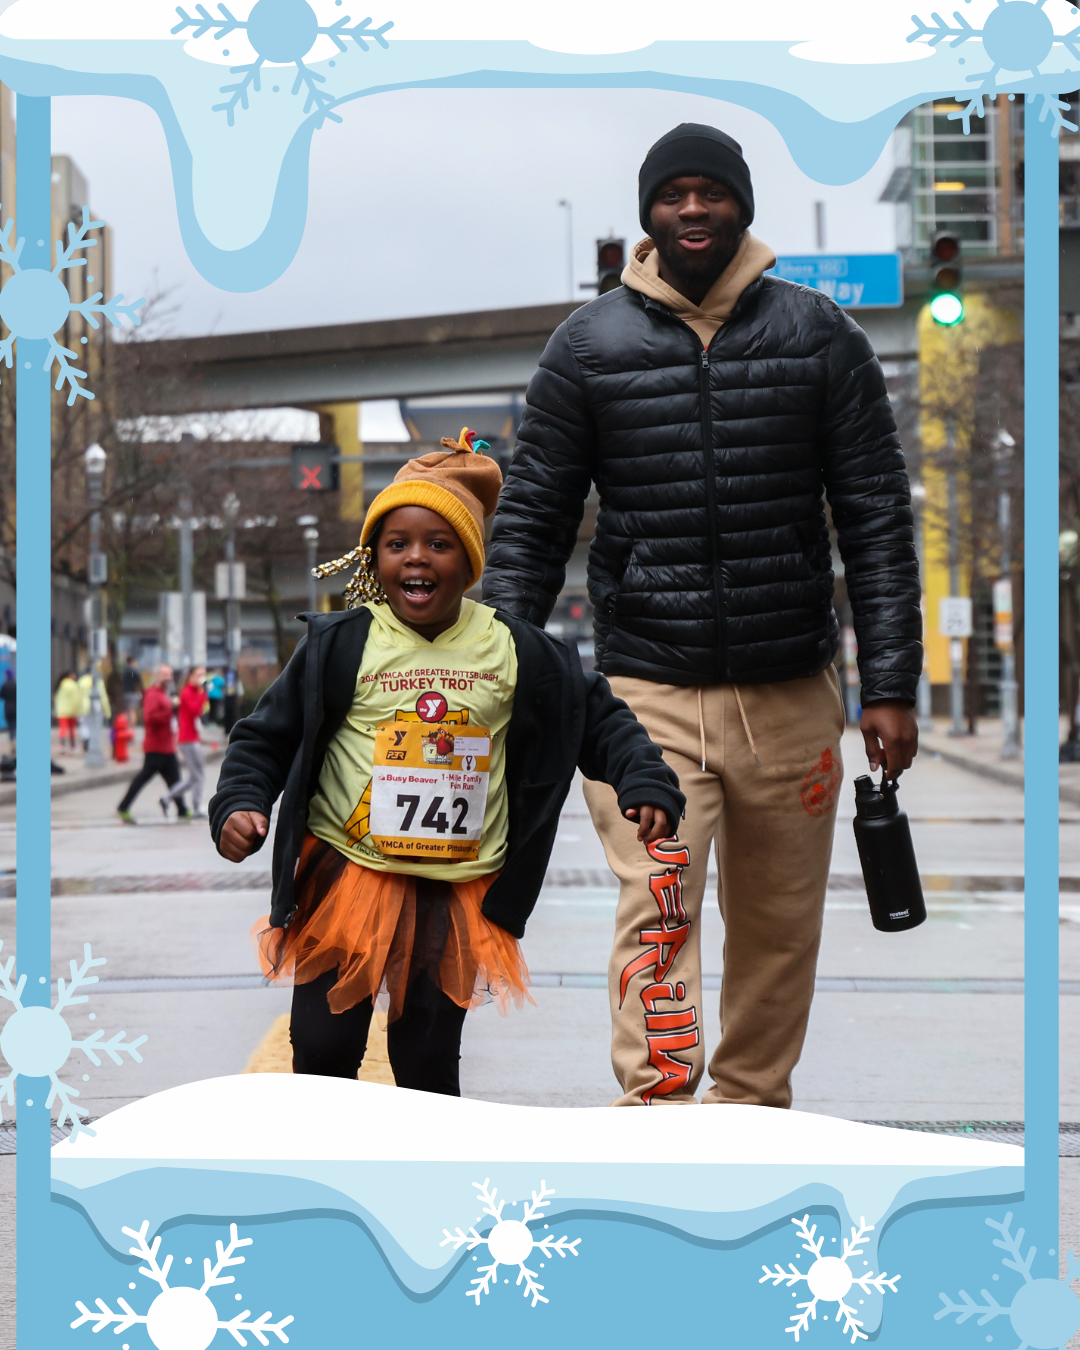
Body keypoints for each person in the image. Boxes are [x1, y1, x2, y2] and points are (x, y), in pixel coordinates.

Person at [482, 123, 922, 1109]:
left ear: (741, 206)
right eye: (673, 194)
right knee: (660, 908)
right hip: (643, 693)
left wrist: (890, 684)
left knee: (777, 924)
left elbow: (878, 520)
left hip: (793, 692)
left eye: (710, 193)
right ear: (648, 211)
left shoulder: (819, 336)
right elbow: (532, 522)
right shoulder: (587, 347)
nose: (692, 209)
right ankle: (659, 1115)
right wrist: (501, 667)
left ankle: (753, 1111)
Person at [209, 430, 683, 1094]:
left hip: (453, 894)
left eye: (439, 544)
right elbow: (264, 737)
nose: (416, 559)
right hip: (349, 875)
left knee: (428, 1062)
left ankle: (426, 1187)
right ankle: (325, 1178)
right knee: (322, 1050)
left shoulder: (518, 652)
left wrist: (643, 776)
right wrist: (240, 803)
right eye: (397, 544)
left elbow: (598, 719)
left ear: (470, 561)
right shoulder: (342, 645)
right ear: (375, 557)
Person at [117, 664, 187, 823]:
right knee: (144, 777)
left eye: (169, 675)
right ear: (157, 676)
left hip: (167, 746)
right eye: (164, 675)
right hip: (156, 747)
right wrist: (170, 711)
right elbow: (149, 718)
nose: (168, 678)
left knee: (174, 779)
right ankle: (123, 807)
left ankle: (182, 809)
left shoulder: (164, 694)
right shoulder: (153, 695)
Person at [163, 666, 210, 818]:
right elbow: (195, 710)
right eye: (199, 675)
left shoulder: (196, 692)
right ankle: (196, 807)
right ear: (191, 676)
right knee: (198, 775)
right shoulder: (187, 692)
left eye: (203, 675)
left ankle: (167, 798)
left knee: (194, 776)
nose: (201, 678)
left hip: (192, 738)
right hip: (188, 739)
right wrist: (203, 694)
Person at [76, 669, 111, 754]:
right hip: (97, 706)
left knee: (85, 725)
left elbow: (77, 697)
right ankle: (94, 742)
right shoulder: (98, 682)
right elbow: (103, 697)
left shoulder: (81, 681)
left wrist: (77, 709)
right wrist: (107, 711)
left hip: (83, 707)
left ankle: (86, 741)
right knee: (95, 726)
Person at [54, 671, 80, 753]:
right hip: (72, 711)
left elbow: (57, 698)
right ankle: (73, 746)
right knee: (72, 729)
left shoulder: (61, 685)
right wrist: (78, 710)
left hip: (62, 711)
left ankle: (62, 746)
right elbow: (76, 699)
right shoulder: (73, 686)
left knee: (63, 729)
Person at [122, 656, 144, 726]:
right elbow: (139, 683)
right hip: (132, 693)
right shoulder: (133, 672)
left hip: (125, 693)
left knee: (126, 710)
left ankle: (125, 725)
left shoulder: (124, 672)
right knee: (132, 710)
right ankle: (132, 725)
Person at [1, 670, 15, 750]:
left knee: (10, 727)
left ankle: (12, 739)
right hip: (16, 708)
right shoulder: (16, 685)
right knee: (15, 725)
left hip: (8, 708)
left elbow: (1, 695)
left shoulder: (4, 685)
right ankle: (15, 739)